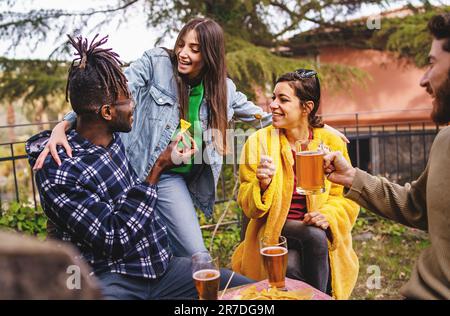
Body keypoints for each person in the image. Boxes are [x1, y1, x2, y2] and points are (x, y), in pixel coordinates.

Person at [33, 18, 348, 258]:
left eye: (194, 49)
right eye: (182, 44)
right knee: (128, 250)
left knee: (197, 257)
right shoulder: (156, 63)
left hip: (171, 179)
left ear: (209, 54)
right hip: (134, 168)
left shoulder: (222, 89)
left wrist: (317, 128)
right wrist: (63, 125)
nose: (183, 53)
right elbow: (111, 93)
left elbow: (263, 116)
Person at [26, 34, 252, 299]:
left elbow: (91, 108)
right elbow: (114, 238)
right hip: (108, 278)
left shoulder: (113, 135)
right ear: (108, 113)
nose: (136, 105)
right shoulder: (59, 171)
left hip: (159, 268)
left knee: (248, 290)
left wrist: (64, 123)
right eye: (129, 100)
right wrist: (157, 169)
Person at [323, 13, 450, 300]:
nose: (423, 80)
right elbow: (417, 205)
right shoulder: (445, 140)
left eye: (431, 63)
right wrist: (352, 177)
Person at [231, 69, 360, 300]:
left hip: (315, 231)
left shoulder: (330, 142)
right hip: (273, 229)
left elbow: (346, 199)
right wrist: (261, 185)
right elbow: (247, 205)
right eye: (273, 97)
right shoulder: (259, 142)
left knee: (292, 267)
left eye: (283, 99)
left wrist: (328, 216)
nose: (272, 105)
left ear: (306, 107)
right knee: (313, 236)